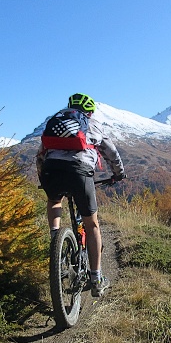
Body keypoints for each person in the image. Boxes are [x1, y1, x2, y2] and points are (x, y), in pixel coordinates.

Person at [37, 93, 125, 297]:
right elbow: (111, 152)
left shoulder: (56, 123)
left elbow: (40, 153)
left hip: (51, 171)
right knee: (91, 225)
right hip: (79, 173)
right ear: (90, 112)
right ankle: (96, 279)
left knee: (54, 200)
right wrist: (119, 173)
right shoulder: (93, 124)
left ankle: (55, 240)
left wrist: (44, 178)